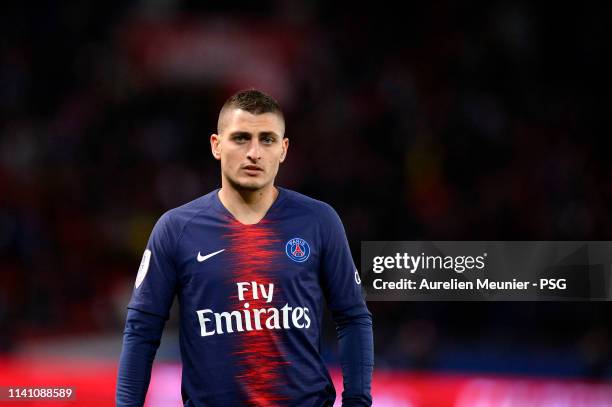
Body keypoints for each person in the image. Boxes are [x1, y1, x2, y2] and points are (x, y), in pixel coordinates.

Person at [116, 89, 374, 406]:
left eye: (267, 139)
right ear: (216, 145)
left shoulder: (319, 221)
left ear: (283, 149)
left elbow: (353, 317)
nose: (254, 152)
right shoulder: (176, 229)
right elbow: (142, 330)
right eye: (241, 138)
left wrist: (357, 402)